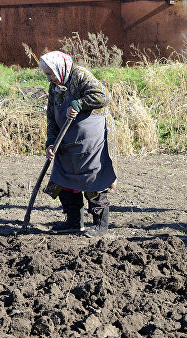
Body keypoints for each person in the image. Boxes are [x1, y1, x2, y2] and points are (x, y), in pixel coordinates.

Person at [39, 51, 117, 237]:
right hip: (66, 141)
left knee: (93, 179)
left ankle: (100, 225)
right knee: (64, 179)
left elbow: (103, 96)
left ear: (60, 67)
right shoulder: (54, 87)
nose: (49, 78)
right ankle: (73, 222)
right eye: (47, 74)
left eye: (51, 73)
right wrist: (50, 142)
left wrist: (79, 103)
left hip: (92, 140)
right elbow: (51, 117)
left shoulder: (79, 75)